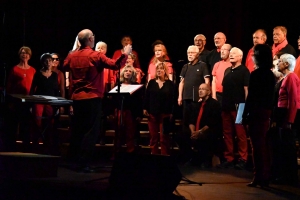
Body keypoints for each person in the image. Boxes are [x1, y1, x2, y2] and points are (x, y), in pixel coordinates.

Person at [63, 29, 132, 172]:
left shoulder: (72, 55)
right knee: (91, 131)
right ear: (89, 40)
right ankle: (83, 163)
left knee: (78, 130)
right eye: (93, 36)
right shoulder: (96, 55)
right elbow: (115, 64)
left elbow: (64, 66)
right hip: (92, 98)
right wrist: (125, 53)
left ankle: (73, 161)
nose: (94, 38)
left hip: (77, 98)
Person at [242, 44, 275, 187]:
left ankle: (259, 176)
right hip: (266, 111)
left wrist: (244, 114)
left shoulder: (256, 74)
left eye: (254, 54)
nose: (252, 57)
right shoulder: (270, 74)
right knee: (263, 145)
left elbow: (251, 97)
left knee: (257, 146)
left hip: (257, 112)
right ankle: (264, 176)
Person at [217, 47, 250, 170]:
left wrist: (246, 107)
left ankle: (243, 158)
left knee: (240, 134)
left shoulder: (244, 71)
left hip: (239, 107)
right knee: (227, 133)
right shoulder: (227, 70)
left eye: (234, 54)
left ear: (240, 57)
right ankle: (229, 158)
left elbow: (246, 90)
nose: (231, 55)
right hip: (226, 106)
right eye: (230, 53)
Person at [271, 53, 300, 185]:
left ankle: (290, 176)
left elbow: (294, 99)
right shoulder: (284, 78)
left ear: (286, 64)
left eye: (280, 61)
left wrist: (290, 120)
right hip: (281, 114)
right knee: (282, 145)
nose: (278, 63)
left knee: (288, 146)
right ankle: (283, 174)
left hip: (287, 115)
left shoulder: (292, 77)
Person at [4, 46, 36, 152]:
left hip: (27, 103)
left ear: (29, 56)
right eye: (22, 53)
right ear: (19, 55)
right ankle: (11, 148)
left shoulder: (33, 70)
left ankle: (25, 148)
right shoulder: (14, 69)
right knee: (13, 125)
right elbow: (9, 86)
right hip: (16, 101)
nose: (24, 55)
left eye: (26, 53)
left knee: (26, 126)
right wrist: (9, 101)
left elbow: (35, 87)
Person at [30, 53, 60, 154]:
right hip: (39, 101)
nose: (48, 63)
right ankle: (35, 145)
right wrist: (31, 103)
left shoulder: (55, 75)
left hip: (50, 102)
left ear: (52, 63)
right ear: (42, 62)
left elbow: (56, 90)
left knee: (50, 123)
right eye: (46, 61)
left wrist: (57, 104)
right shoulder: (38, 74)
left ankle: (48, 146)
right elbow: (32, 89)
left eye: (50, 61)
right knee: (37, 122)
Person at [185, 83, 222, 167]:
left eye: (203, 89)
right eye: (199, 89)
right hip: (196, 131)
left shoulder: (215, 104)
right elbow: (191, 120)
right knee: (181, 136)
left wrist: (199, 132)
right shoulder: (197, 104)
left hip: (208, 131)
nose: (200, 91)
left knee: (206, 136)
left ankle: (205, 160)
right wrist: (193, 132)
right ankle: (193, 158)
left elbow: (212, 122)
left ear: (209, 92)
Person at [143, 62, 175, 155]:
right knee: (153, 137)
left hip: (165, 114)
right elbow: (147, 96)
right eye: (158, 69)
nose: (159, 70)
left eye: (161, 69)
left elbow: (173, 99)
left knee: (163, 137)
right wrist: (145, 108)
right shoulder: (152, 82)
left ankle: (164, 157)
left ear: (165, 71)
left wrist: (172, 112)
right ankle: (154, 155)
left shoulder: (170, 84)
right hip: (152, 113)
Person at [112, 65, 143, 157]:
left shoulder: (136, 86)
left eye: (130, 71)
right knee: (118, 133)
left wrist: (138, 114)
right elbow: (114, 100)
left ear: (133, 74)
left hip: (130, 112)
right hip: (119, 111)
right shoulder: (118, 84)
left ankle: (130, 153)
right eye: (126, 71)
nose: (128, 72)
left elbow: (139, 101)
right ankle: (116, 153)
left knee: (130, 133)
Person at [178, 45, 210, 132]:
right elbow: (182, 82)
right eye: (188, 53)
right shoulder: (185, 66)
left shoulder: (203, 65)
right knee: (185, 121)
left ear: (197, 54)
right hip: (186, 98)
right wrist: (180, 96)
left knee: (196, 120)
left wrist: (204, 96)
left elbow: (207, 81)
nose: (190, 54)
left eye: (192, 53)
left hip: (197, 99)